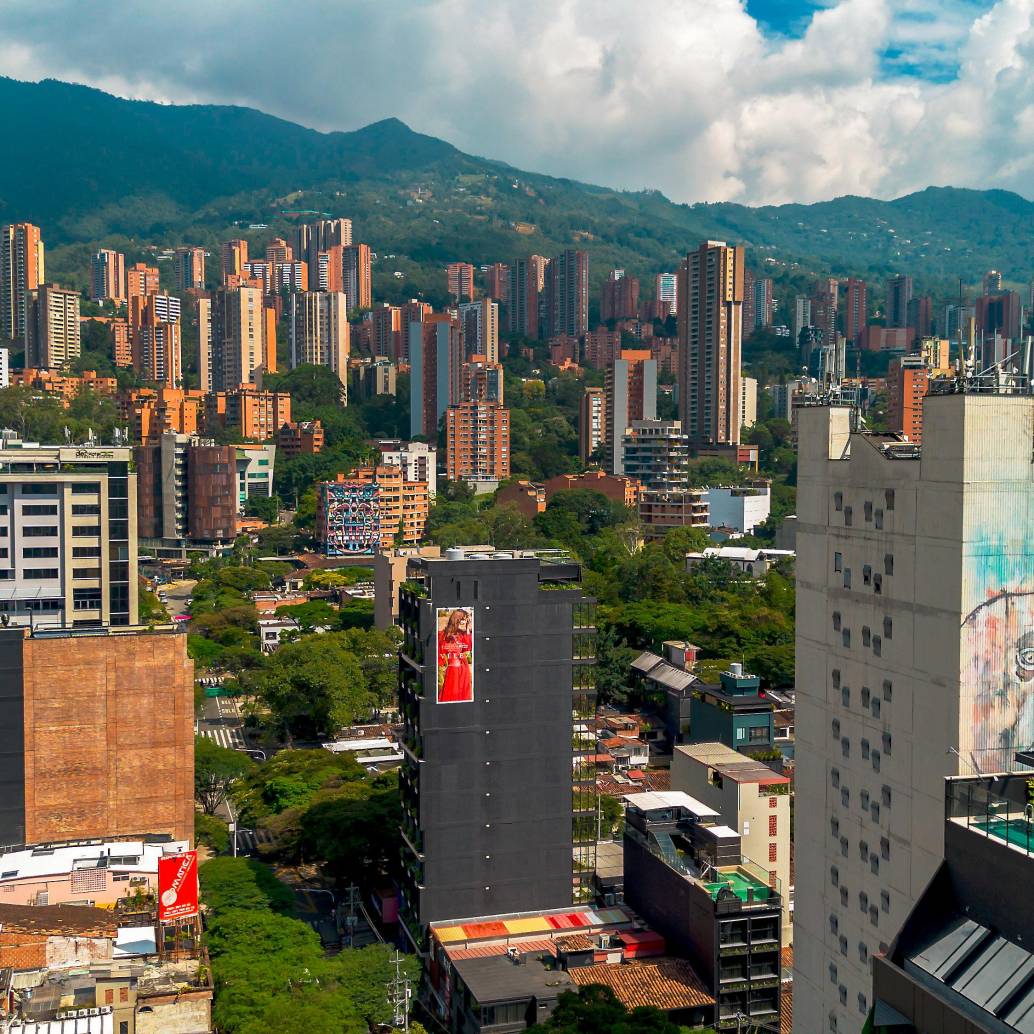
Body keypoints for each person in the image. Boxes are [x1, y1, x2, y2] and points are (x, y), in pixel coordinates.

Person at [438, 608, 473, 702]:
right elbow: (440, 653)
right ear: (457, 620)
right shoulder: (442, 635)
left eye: (467, 620)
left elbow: (468, 647)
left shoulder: (462, 634)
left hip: (463, 669)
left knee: (464, 695)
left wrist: (467, 629)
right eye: (464, 619)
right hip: (453, 669)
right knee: (452, 695)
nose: (466, 621)